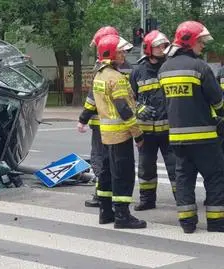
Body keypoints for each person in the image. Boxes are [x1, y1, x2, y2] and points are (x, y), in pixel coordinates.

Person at [158, 21, 224, 233]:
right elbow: (218, 102)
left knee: (184, 179)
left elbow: (165, 103)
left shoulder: (164, 69)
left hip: (177, 138)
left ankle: (187, 223)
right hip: (204, 136)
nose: (203, 46)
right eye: (201, 41)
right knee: (214, 177)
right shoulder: (200, 67)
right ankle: (215, 222)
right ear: (190, 42)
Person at [92, 34, 146, 229]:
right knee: (122, 175)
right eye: (120, 51)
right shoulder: (117, 78)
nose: (123, 54)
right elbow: (124, 110)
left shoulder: (99, 75)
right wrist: (137, 134)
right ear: (111, 54)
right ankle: (122, 216)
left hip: (105, 135)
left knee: (106, 174)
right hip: (120, 135)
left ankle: (105, 212)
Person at [79, 26, 135, 208]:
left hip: (104, 122)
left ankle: (101, 197)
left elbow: (92, 97)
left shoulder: (104, 68)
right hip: (117, 124)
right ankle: (107, 199)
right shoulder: (124, 67)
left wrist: (83, 118)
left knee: (101, 160)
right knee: (115, 164)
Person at [129, 30, 176, 211]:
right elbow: (129, 98)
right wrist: (139, 108)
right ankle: (147, 200)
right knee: (146, 167)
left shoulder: (171, 67)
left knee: (175, 168)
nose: (162, 49)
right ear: (149, 48)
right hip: (146, 131)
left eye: (164, 45)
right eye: (158, 46)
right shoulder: (138, 71)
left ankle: (182, 200)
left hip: (169, 130)